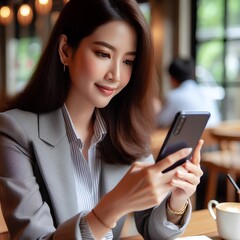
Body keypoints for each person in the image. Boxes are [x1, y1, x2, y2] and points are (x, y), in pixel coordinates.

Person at [0, 1, 203, 239]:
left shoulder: (126, 129)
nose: (115, 75)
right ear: (66, 50)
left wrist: (176, 200)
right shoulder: (14, 131)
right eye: (103, 54)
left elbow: (152, 229)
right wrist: (112, 207)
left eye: (128, 61)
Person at [156, 57, 221, 128]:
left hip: (191, 138)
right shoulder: (206, 92)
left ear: (172, 78)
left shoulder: (174, 96)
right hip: (211, 136)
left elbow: (160, 123)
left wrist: (156, 109)